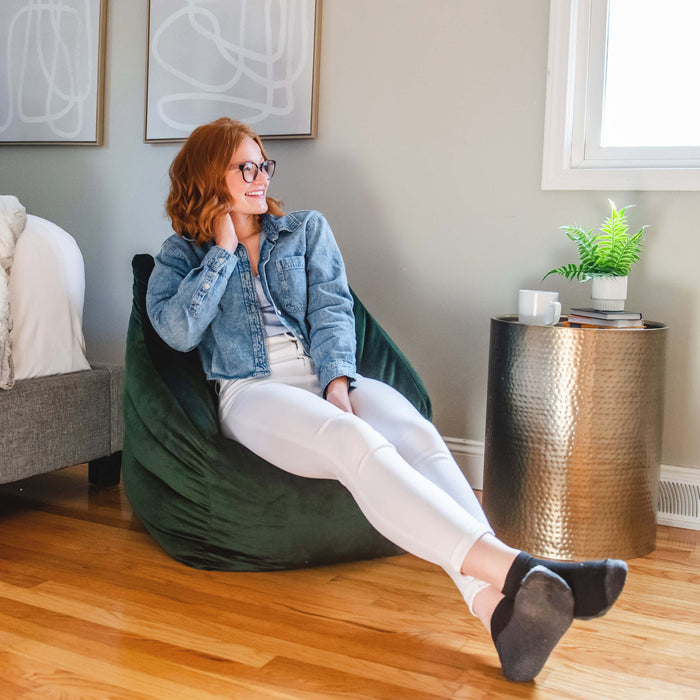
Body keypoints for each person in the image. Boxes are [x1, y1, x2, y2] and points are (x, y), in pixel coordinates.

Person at [146, 117, 628, 683]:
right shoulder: (181, 255)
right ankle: (528, 571)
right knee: (354, 441)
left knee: (418, 433)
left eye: (263, 164)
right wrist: (222, 254)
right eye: (244, 167)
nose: (259, 176)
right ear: (210, 175)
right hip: (253, 393)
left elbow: (331, 310)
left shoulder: (302, 229)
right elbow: (177, 331)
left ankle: (498, 615)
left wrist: (335, 383)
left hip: (321, 379)